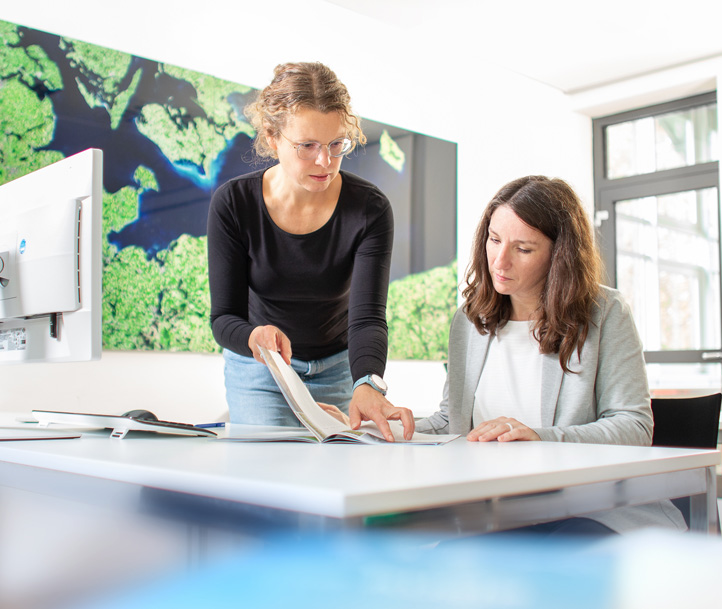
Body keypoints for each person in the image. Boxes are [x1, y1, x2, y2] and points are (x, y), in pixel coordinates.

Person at [415, 175, 685, 535]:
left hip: (589, 509)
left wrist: (541, 437)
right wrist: (370, 428)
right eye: (494, 240)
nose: (500, 261)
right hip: (497, 511)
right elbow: (453, 421)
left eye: (523, 249)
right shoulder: (469, 320)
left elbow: (633, 427)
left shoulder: (605, 313)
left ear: (560, 255)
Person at [207, 62, 413, 442]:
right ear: (272, 137)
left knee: (333, 473)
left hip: (337, 368)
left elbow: (366, 318)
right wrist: (255, 336)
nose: (325, 162)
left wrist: (367, 382)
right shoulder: (233, 203)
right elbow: (224, 318)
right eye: (308, 146)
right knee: (267, 478)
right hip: (261, 368)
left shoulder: (369, 209)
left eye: (337, 144)